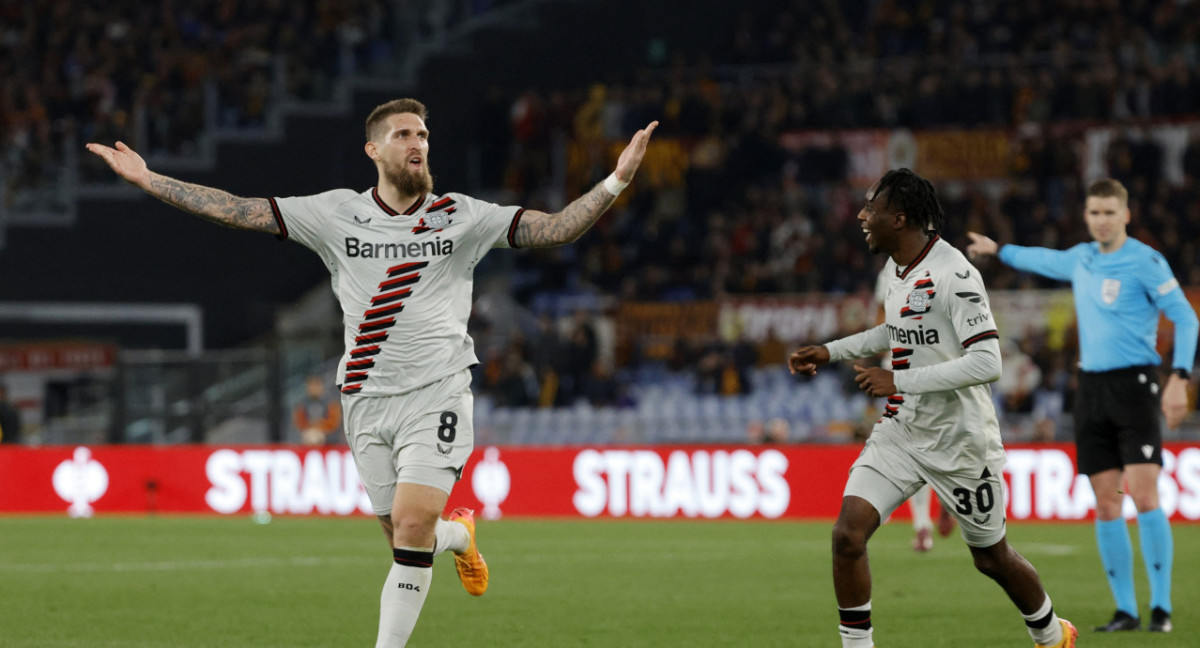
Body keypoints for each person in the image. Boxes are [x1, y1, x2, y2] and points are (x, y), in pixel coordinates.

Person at [87, 97, 658, 647]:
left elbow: (555, 228)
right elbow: (236, 208)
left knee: (411, 527)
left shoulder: (462, 216)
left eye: (424, 136)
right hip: (364, 398)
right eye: (405, 135)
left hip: (438, 390)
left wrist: (617, 181)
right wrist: (149, 179)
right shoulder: (335, 213)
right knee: (406, 538)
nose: (419, 144)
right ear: (374, 150)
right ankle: (459, 536)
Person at [788, 168, 1077, 648]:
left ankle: (1052, 634)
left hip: (961, 440)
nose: (861, 216)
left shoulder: (957, 274)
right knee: (847, 535)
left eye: (870, 208)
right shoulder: (896, 268)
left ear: (898, 218)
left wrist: (897, 378)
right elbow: (894, 332)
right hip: (902, 429)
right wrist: (831, 350)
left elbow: (988, 362)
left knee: (992, 558)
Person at [967, 177, 1198, 634]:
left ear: (1126, 215)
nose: (1101, 220)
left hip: (1135, 385)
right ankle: (1126, 611)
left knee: (1145, 494)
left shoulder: (1147, 262)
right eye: (1094, 212)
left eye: (1109, 212)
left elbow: (1187, 320)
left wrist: (1179, 379)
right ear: (1087, 215)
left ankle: (1162, 608)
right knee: (1107, 503)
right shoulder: (1083, 257)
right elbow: (1044, 259)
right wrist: (999, 250)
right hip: (1090, 389)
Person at [293, 374, 343, 445]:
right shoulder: (302, 404)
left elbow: (334, 423)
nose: (313, 388)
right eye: (311, 385)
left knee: (315, 437)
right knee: (311, 437)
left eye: (316, 385)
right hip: (307, 435)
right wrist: (310, 429)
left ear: (321, 386)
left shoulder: (331, 402)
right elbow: (299, 423)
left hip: (328, 437)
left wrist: (319, 428)